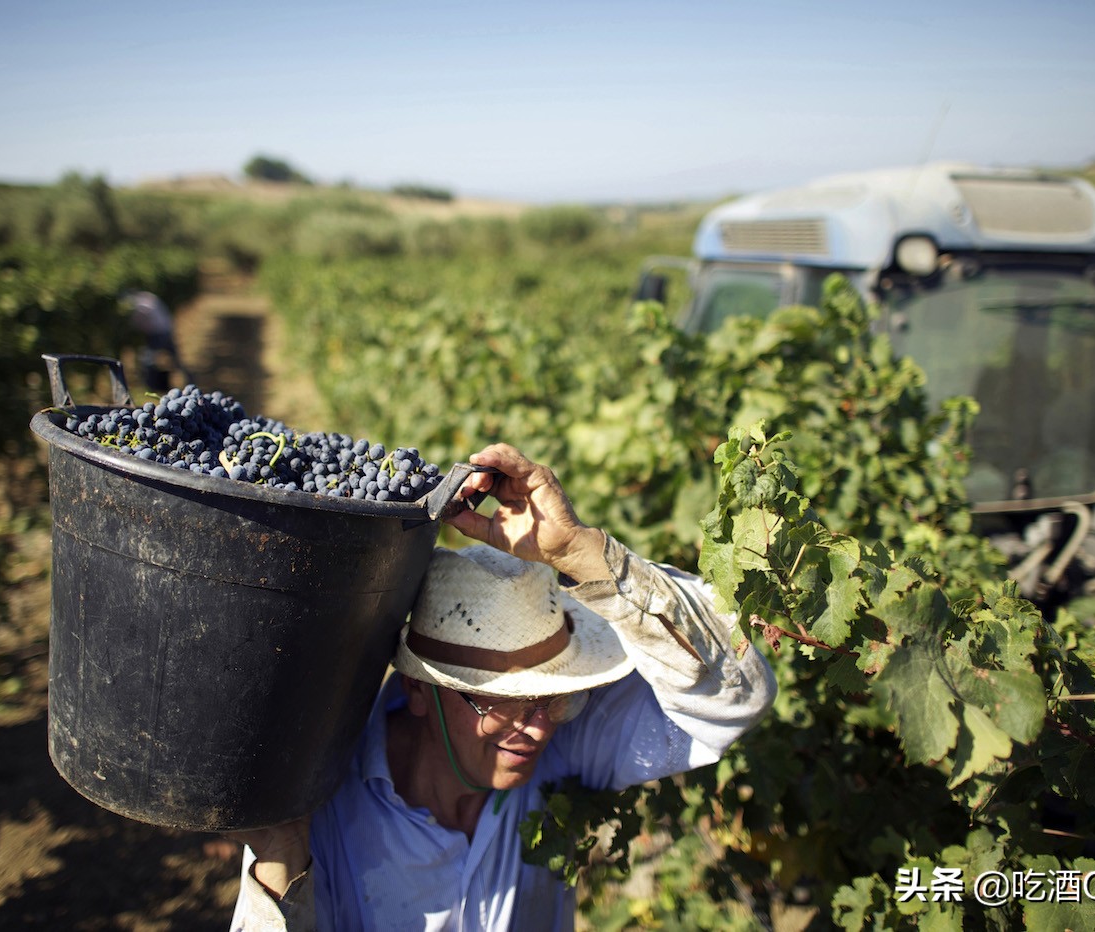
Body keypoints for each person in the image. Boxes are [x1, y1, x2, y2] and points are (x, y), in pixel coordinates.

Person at [228, 443, 776, 931]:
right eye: (500, 703)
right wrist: (279, 862)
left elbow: (737, 693)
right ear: (418, 691)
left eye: (551, 698)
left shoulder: (569, 747)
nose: (536, 729)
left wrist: (582, 554)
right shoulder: (321, 808)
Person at [126, 290, 191, 393]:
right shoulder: (148, 296)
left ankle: (151, 386)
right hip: (166, 329)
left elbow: (141, 319)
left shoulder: (139, 305)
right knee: (175, 358)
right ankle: (190, 381)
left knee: (148, 360)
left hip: (157, 332)